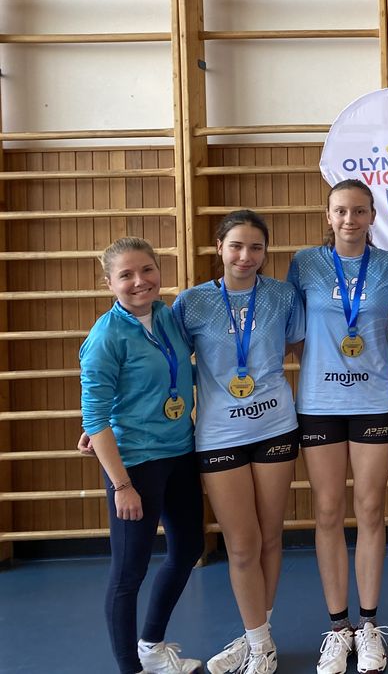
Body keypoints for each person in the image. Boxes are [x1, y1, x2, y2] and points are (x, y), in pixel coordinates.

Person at [173, 210, 305, 674]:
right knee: (242, 544)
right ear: (219, 248)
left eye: (255, 247)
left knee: (270, 538)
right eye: (236, 246)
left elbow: (302, 348)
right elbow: (168, 365)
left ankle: (257, 641)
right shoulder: (191, 303)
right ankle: (257, 640)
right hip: (219, 435)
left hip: (275, 427)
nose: (246, 256)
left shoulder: (283, 296)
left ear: (265, 252)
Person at [288, 180, 388, 674]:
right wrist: (321, 367)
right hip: (320, 403)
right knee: (328, 511)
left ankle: (370, 623)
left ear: (372, 215)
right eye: (341, 211)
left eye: (359, 211)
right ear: (329, 215)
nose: (350, 220)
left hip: (374, 401)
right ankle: (339, 628)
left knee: (372, 508)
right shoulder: (305, 263)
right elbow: (295, 333)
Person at [79, 237, 205, 674]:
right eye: (126, 275)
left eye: (147, 270)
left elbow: (174, 375)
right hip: (135, 465)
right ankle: (129, 669)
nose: (139, 281)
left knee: (188, 548)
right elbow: (95, 417)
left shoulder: (168, 316)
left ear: (158, 270)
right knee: (129, 572)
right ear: (109, 283)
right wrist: (122, 485)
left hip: (180, 452)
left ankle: (151, 647)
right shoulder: (106, 336)